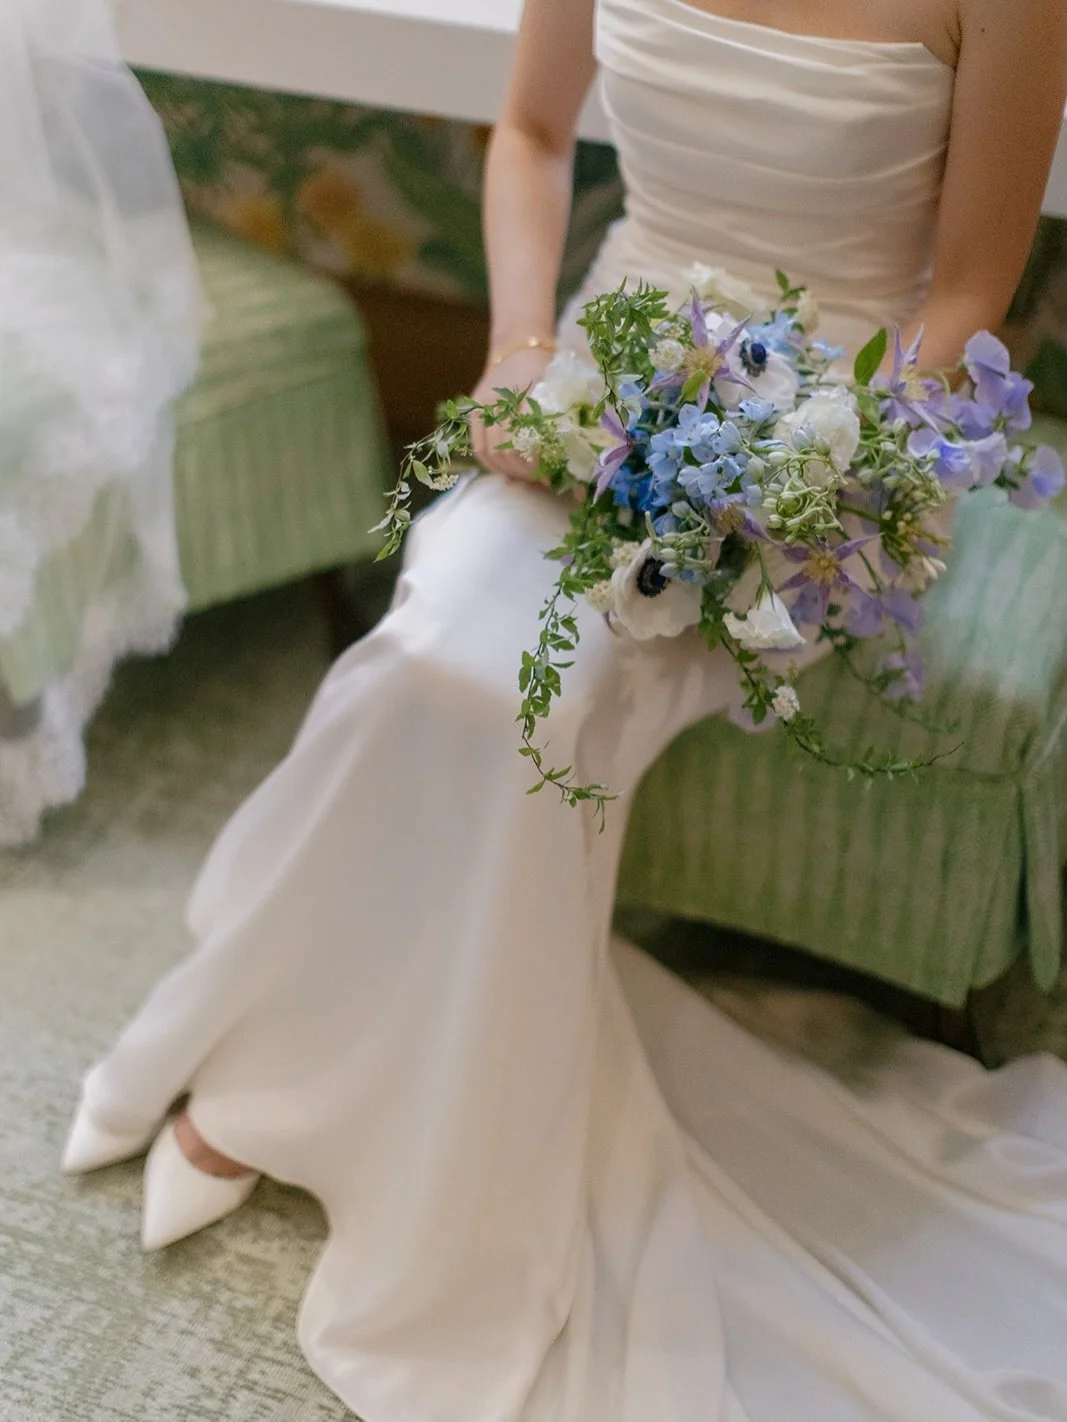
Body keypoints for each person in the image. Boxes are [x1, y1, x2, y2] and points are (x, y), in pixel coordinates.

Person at [64, 0, 1067, 1417]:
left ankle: (271, 1098)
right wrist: (517, 356)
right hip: (606, 354)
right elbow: (530, 133)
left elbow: (970, 291)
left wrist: (805, 480)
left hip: (827, 432)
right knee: (431, 652)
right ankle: (298, 1070)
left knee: (529, 707)